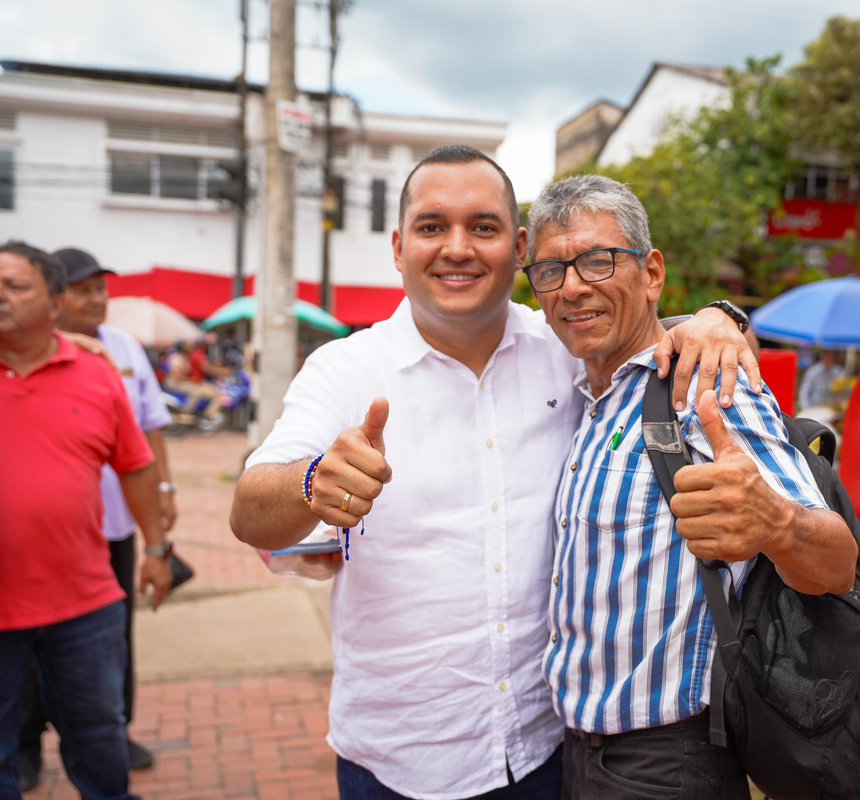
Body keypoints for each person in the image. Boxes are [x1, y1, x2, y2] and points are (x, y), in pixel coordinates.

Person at [228, 145, 758, 799]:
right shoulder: (344, 370)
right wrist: (312, 481)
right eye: (432, 226)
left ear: (518, 248)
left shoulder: (563, 348)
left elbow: (642, 331)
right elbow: (250, 510)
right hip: (397, 759)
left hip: (544, 751)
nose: (458, 248)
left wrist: (720, 319)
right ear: (399, 246)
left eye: (482, 227)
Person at [526, 175, 857, 798]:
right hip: (575, 753)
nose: (572, 287)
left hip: (668, 763)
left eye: (598, 261)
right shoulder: (582, 396)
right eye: (550, 270)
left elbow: (838, 565)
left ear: (651, 273)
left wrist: (776, 522)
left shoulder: (705, 387)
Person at [0, 240, 172, 800]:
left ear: (51, 303)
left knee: (97, 731)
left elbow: (139, 458)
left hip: (84, 593)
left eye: (14, 286)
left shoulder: (101, 368)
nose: (1, 297)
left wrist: (157, 545)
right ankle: (28, 750)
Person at [163, 339, 224, 430]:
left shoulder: (186, 357)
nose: (190, 348)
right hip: (175, 383)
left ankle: (203, 415)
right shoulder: (176, 358)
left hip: (182, 381)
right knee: (196, 391)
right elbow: (176, 375)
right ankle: (185, 412)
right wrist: (190, 380)